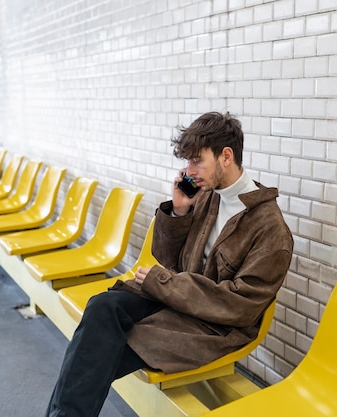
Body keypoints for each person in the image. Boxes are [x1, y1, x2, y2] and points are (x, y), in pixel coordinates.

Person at [45, 111, 294, 417]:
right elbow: (167, 259)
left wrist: (166, 282)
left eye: (197, 161)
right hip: (178, 302)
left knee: (96, 351)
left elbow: (240, 307)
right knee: (102, 308)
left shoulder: (271, 229)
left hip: (213, 326)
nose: (189, 172)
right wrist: (179, 212)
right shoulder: (206, 197)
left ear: (226, 156)